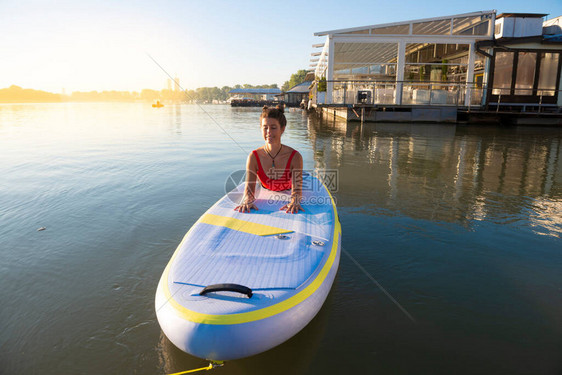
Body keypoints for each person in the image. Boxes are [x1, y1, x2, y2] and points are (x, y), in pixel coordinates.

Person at [234, 105, 304, 214]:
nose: (268, 132)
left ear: (282, 129)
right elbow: (249, 188)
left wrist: (295, 201)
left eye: (273, 127)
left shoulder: (295, 157)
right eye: (265, 127)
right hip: (265, 188)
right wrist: (247, 200)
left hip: (287, 189)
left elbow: (297, 191)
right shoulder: (253, 157)